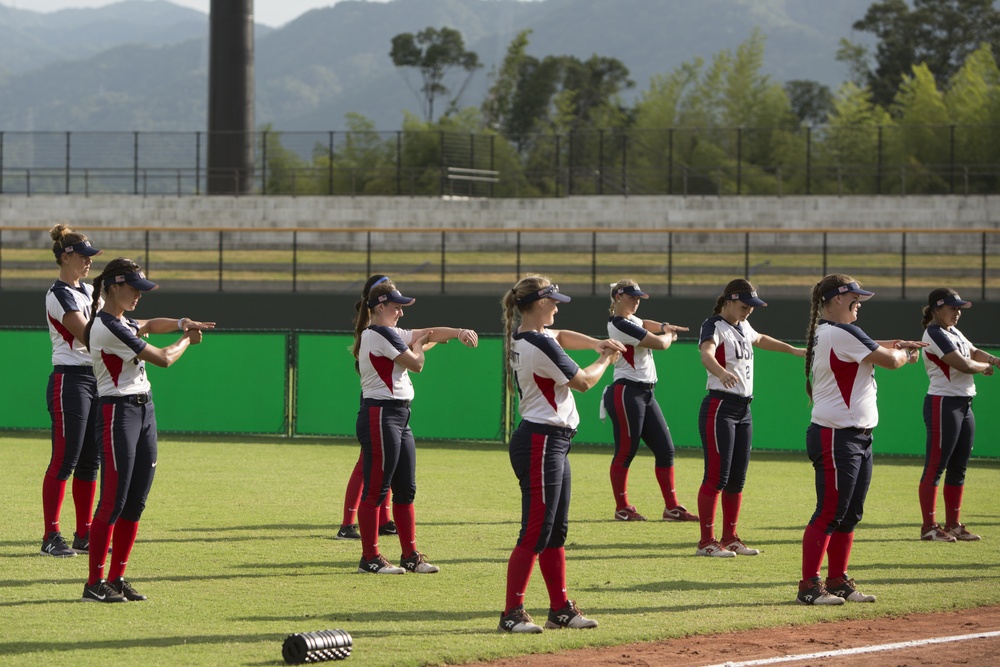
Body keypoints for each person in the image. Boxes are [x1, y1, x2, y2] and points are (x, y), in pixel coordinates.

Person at [80, 258, 214, 602]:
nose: (139, 295)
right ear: (113, 287)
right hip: (117, 413)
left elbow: (151, 322)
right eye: (133, 288)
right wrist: (187, 338)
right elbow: (164, 358)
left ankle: (117, 577)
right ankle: (94, 583)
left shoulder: (121, 319)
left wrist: (184, 321)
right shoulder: (107, 325)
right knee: (112, 501)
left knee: (135, 502)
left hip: (143, 409)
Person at [498, 275, 625, 634]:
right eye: (552, 301)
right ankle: (512, 613)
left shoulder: (523, 335)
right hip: (541, 441)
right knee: (536, 531)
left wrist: (598, 342)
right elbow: (583, 382)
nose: (556, 306)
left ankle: (560, 610)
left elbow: (562, 335)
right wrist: (607, 357)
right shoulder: (540, 343)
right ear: (538, 303)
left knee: (555, 531)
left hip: (550, 440)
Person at [797, 274, 926, 605]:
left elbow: (867, 347)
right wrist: (905, 354)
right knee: (829, 512)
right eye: (854, 298)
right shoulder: (841, 332)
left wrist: (892, 345)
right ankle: (809, 587)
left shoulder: (833, 332)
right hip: (836, 436)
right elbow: (890, 362)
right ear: (837, 299)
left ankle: (838, 580)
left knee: (850, 513)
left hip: (854, 436)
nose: (859, 304)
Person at [351, 275, 479, 575]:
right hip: (380, 415)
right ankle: (369, 557)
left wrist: (459, 332)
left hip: (399, 416)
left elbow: (429, 332)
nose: (401, 312)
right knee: (376, 491)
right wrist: (420, 345)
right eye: (397, 306)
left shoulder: (390, 331)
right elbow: (417, 363)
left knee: (406, 489)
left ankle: (410, 555)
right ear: (381, 306)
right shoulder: (378, 333)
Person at [696, 279, 805, 558]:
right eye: (745, 306)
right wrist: (720, 372)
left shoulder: (742, 325)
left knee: (737, 479)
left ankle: (730, 537)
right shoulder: (714, 325)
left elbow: (760, 338)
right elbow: (706, 353)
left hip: (744, 409)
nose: (749, 311)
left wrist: (791, 350)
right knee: (716, 477)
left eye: (752, 307)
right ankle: (707, 542)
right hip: (720, 406)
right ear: (729, 301)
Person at [601, 279, 696, 523]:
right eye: (631, 297)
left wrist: (664, 325)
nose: (636, 302)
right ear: (617, 297)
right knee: (626, 451)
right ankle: (622, 507)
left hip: (645, 393)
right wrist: (668, 335)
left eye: (638, 298)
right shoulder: (619, 324)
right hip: (626, 393)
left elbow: (645, 324)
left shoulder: (631, 320)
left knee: (666, 450)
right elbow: (660, 344)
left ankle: (672, 508)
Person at [41, 223, 104, 558]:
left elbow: (111, 323)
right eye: (84, 255)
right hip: (70, 380)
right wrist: (127, 339)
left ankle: (84, 533)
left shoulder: (89, 290)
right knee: (65, 459)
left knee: (89, 462)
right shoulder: (59, 293)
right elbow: (88, 335)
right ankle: (51, 535)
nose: (89, 261)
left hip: (94, 378)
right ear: (66, 257)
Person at [917, 288, 997, 543]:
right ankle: (929, 527)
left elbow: (972, 352)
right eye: (953, 308)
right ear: (937, 309)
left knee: (958, 467)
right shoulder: (934, 332)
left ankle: (953, 525)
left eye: (959, 308)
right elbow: (962, 363)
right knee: (936, 466)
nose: (957, 312)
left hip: (963, 403)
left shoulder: (952, 332)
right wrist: (987, 366)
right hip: (943, 403)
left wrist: (993, 359)